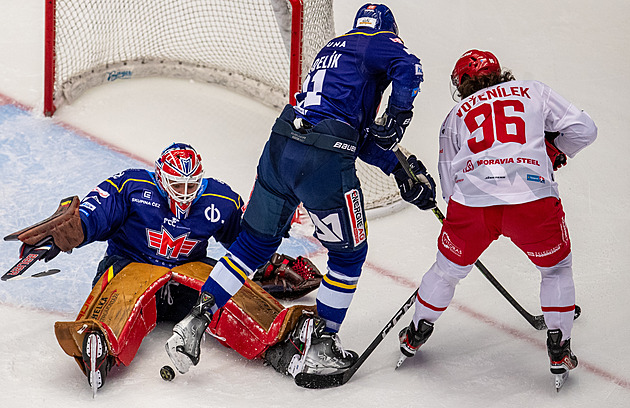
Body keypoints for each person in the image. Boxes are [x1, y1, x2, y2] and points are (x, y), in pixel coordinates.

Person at [166, 3, 437, 379]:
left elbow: (346, 128)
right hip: (322, 165)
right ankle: (322, 344)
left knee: (252, 245)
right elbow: (410, 68)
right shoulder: (376, 41)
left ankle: (197, 318)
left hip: (280, 148)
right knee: (348, 254)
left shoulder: (332, 52)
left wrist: (397, 169)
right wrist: (397, 118)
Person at [6, 143, 322, 392]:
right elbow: (95, 213)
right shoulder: (130, 186)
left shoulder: (220, 198)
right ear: (160, 177)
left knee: (224, 282)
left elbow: (245, 241)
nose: (184, 194)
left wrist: (269, 264)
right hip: (129, 263)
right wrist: (79, 228)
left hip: (189, 273)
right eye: (176, 184)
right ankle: (100, 342)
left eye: (191, 185)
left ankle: (281, 338)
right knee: (122, 287)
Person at [396, 50, 597, 387]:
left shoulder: (454, 115)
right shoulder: (532, 90)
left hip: (472, 206)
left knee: (446, 272)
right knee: (556, 269)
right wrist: (554, 151)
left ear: (461, 84)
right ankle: (559, 348)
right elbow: (585, 130)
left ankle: (416, 332)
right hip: (532, 199)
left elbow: (448, 187)